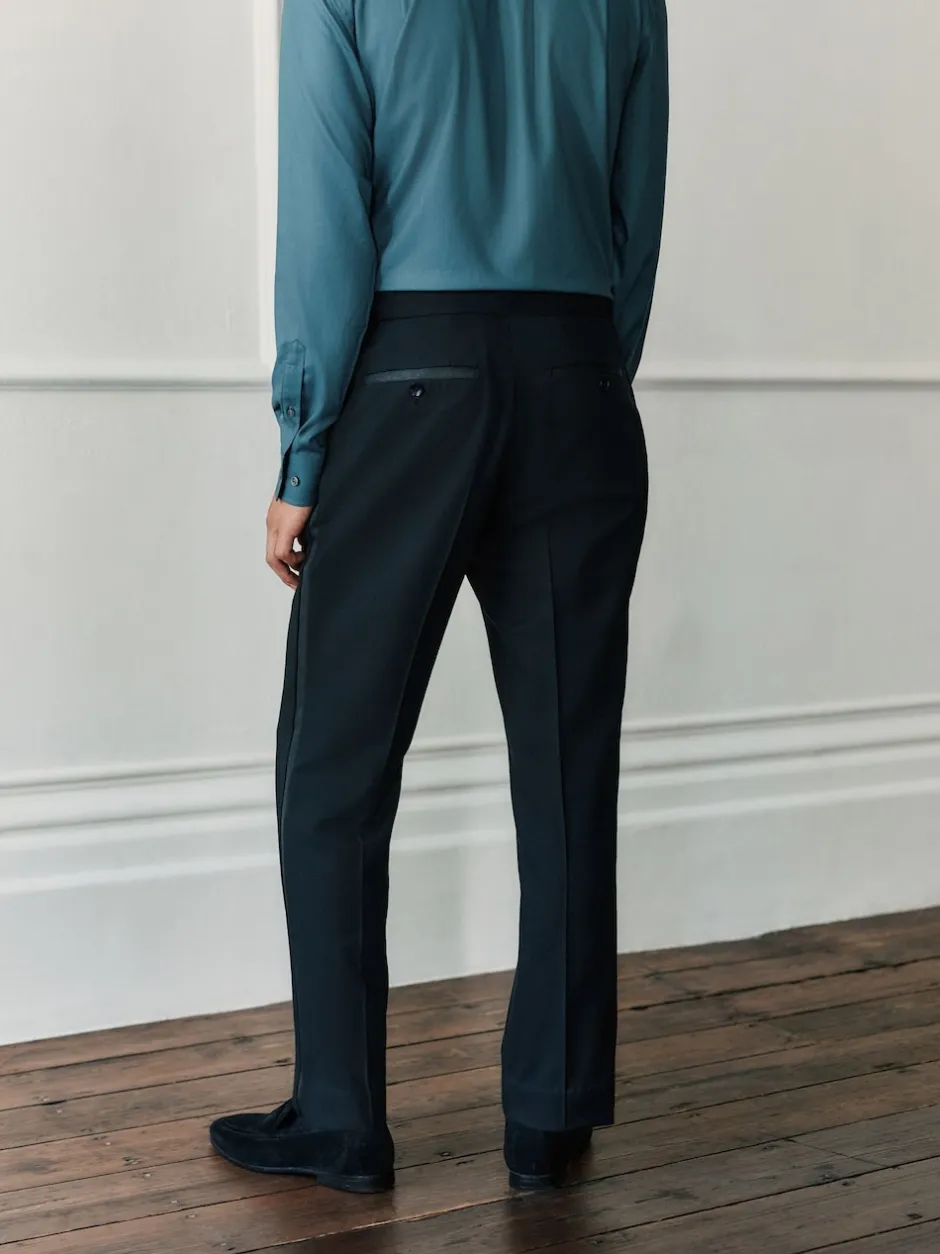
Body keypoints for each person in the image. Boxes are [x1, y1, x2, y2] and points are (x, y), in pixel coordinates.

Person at [209, 0, 669, 1195]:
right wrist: (584, 376)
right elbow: (636, 204)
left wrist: (304, 448)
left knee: (332, 765)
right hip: (578, 380)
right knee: (567, 769)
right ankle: (551, 1118)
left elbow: (325, 215)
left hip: (409, 380)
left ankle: (340, 1119)